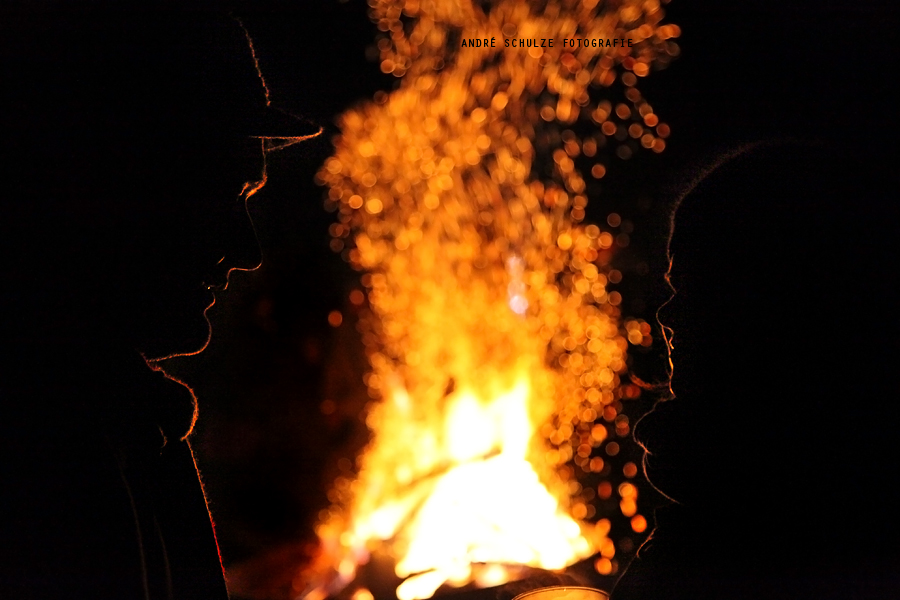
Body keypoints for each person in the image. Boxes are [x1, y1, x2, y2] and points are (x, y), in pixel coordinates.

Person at [0, 7, 318, 599]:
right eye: (219, 190)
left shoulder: (122, 425)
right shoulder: (50, 463)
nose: (245, 249)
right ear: (98, 179)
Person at [611, 141, 900, 600]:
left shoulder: (773, 528)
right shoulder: (720, 492)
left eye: (699, 283)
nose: (667, 315)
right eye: (673, 284)